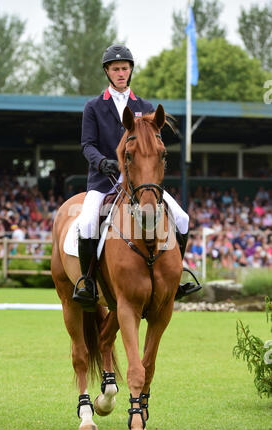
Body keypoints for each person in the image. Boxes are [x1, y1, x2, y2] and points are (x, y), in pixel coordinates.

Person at [73, 44, 201, 310]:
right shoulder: (94, 106)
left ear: (130, 71)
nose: (121, 72)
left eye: (124, 68)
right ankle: (88, 282)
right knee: (86, 223)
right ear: (107, 72)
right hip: (104, 181)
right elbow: (87, 145)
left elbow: (153, 146)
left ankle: (176, 276)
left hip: (141, 182)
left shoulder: (144, 106)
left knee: (182, 218)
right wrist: (102, 162)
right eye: (115, 68)